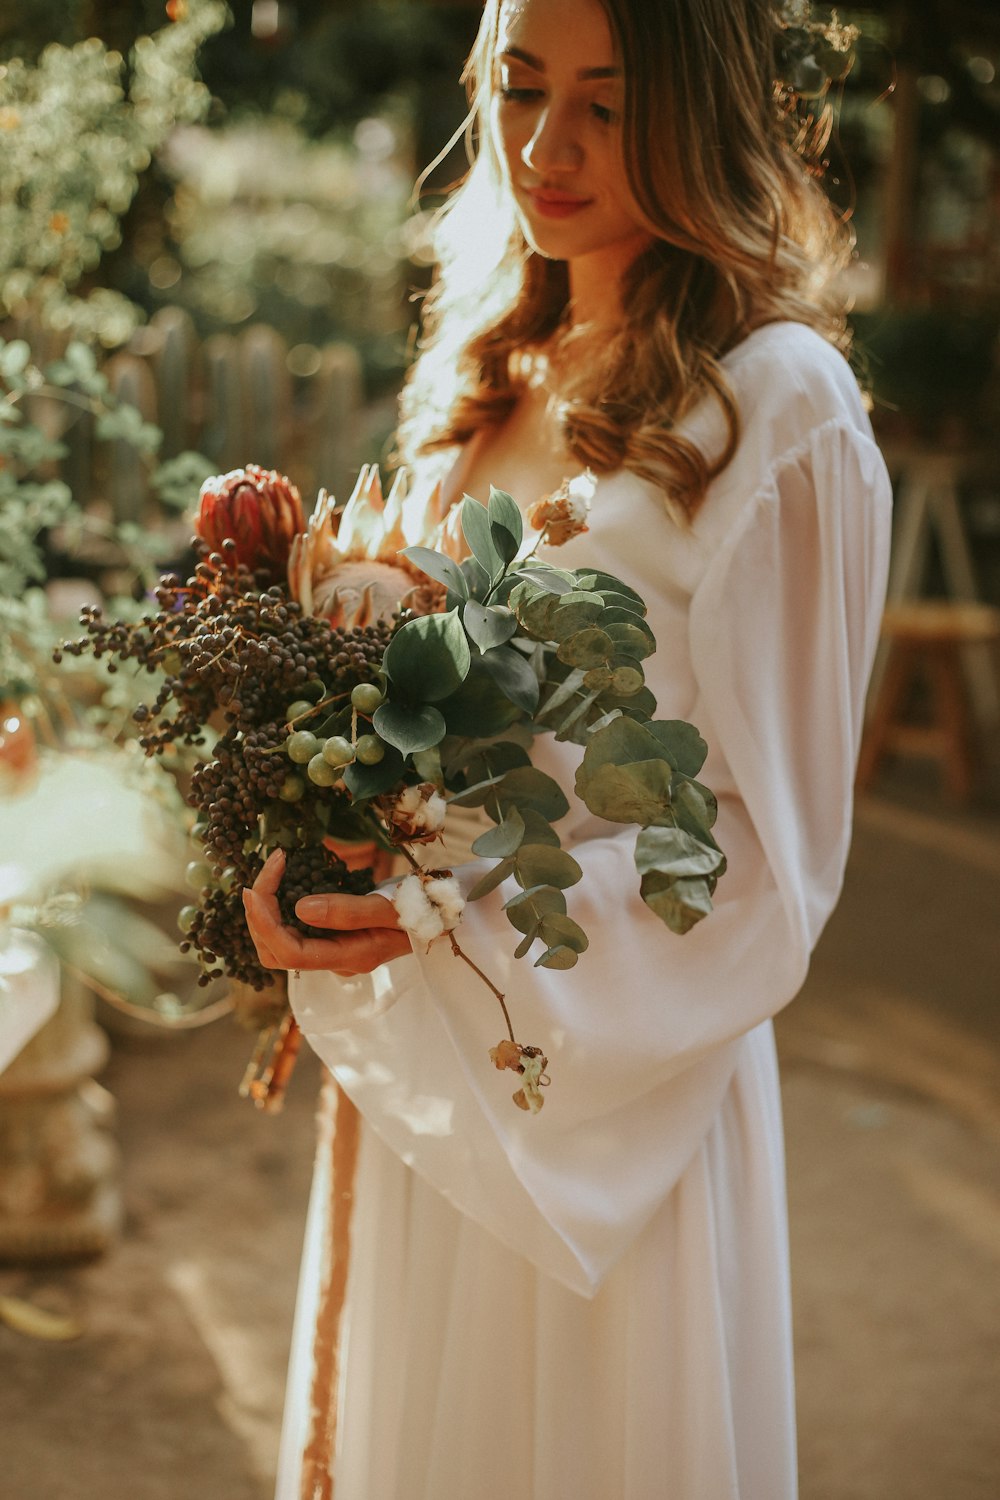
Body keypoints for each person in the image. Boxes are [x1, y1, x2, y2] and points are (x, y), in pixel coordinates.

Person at [244, 1, 892, 1495]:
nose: (547, 145)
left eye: (608, 101)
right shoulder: (485, 370)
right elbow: (387, 727)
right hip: (423, 1096)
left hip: (611, 1129)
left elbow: (766, 869)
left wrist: (452, 918)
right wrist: (295, 863)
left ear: (702, 104)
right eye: (520, 87)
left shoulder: (778, 404)